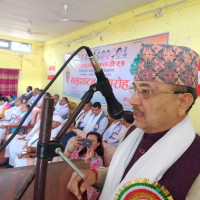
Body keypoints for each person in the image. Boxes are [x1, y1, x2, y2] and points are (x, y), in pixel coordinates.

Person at [67, 44, 200, 200]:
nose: (132, 100)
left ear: (183, 102)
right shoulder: (132, 132)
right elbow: (120, 176)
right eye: (135, 89)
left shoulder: (195, 158)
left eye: (146, 91)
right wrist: (94, 175)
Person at [65, 132, 104, 200]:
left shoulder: (98, 160)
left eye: (92, 141)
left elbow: (91, 181)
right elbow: (63, 162)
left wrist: (87, 161)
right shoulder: (78, 153)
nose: (89, 143)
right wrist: (70, 149)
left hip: (84, 188)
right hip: (69, 179)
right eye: (88, 140)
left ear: (98, 143)